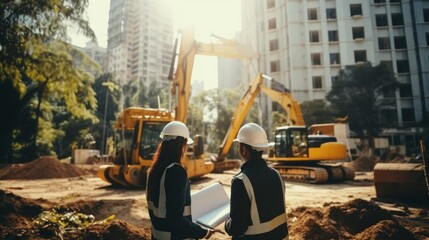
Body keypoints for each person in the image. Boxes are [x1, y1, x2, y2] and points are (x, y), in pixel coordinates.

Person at [146, 121, 221, 240]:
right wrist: (203, 232)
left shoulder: (153, 171)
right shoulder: (176, 171)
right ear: (181, 145)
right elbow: (175, 219)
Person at [225, 123, 289, 239]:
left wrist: (227, 224)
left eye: (239, 146)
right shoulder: (276, 175)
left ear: (244, 150)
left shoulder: (240, 181)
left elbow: (237, 228)